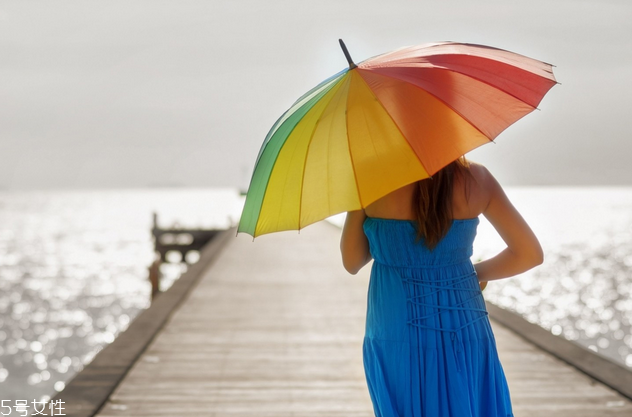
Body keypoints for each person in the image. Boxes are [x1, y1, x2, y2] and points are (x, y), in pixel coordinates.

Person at [340, 157, 543, 417]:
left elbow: (352, 261)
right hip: (465, 324)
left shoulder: (370, 180)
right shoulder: (477, 179)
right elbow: (529, 254)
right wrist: (469, 276)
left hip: (395, 329)